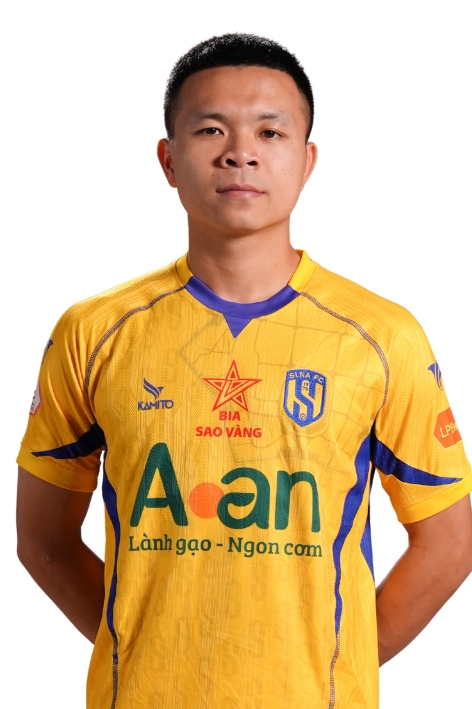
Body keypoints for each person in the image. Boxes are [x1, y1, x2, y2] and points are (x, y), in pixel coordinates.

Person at [16, 33, 472, 709]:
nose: (240, 152)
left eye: (269, 131)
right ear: (169, 160)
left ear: (307, 160)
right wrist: (138, 649)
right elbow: (44, 539)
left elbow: (448, 541)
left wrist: (338, 658)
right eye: (210, 129)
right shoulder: (94, 331)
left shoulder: (381, 336)